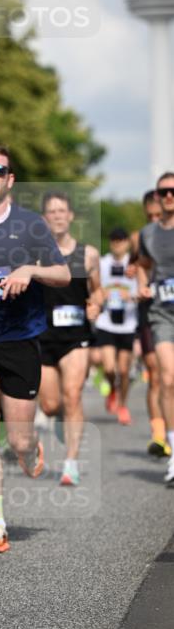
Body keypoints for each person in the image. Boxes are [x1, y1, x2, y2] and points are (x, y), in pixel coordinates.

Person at [0, 145, 70, 554]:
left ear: (10, 180)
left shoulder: (30, 225)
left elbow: (60, 272)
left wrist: (30, 269)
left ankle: (28, 447)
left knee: (19, 441)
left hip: (20, 340)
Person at [38, 191, 102, 485]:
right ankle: (63, 418)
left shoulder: (88, 254)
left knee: (73, 394)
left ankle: (71, 463)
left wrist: (96, 304)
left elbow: (97, 289)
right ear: (44, 218)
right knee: (51, 405)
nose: (58, 215)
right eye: (52, 211)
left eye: (62, 210)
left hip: (76, 336)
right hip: (44, 336)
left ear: (71, 216)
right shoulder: (36, 255)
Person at [137, 171, 174, 484]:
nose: (168, 196)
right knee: (168, 377)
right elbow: (143, 267)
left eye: (173, 190)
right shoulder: (148, 234)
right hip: (162, 313)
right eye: (163, 191)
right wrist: (142, 285)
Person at [130, 191, 170, 457]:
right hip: (151, 312)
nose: (156, 218)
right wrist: (140, 282)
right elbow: (138, 267)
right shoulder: (142, 236)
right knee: (157, 374)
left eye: (159, 215)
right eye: (151, 215)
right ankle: (160, 435)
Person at [95, 227, 138, 424]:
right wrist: (101, 294)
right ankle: (112, 388)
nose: (117, 243)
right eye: (114, 239)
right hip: (106, 322)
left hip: (128, 323)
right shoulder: (102, 264)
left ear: (127, 242)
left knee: (124, 370)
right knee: (110, 368)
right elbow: (94, 288)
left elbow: (142, 291)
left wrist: (128, 295)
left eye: (121, 239)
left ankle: (122, 405)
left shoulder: (135, 265)